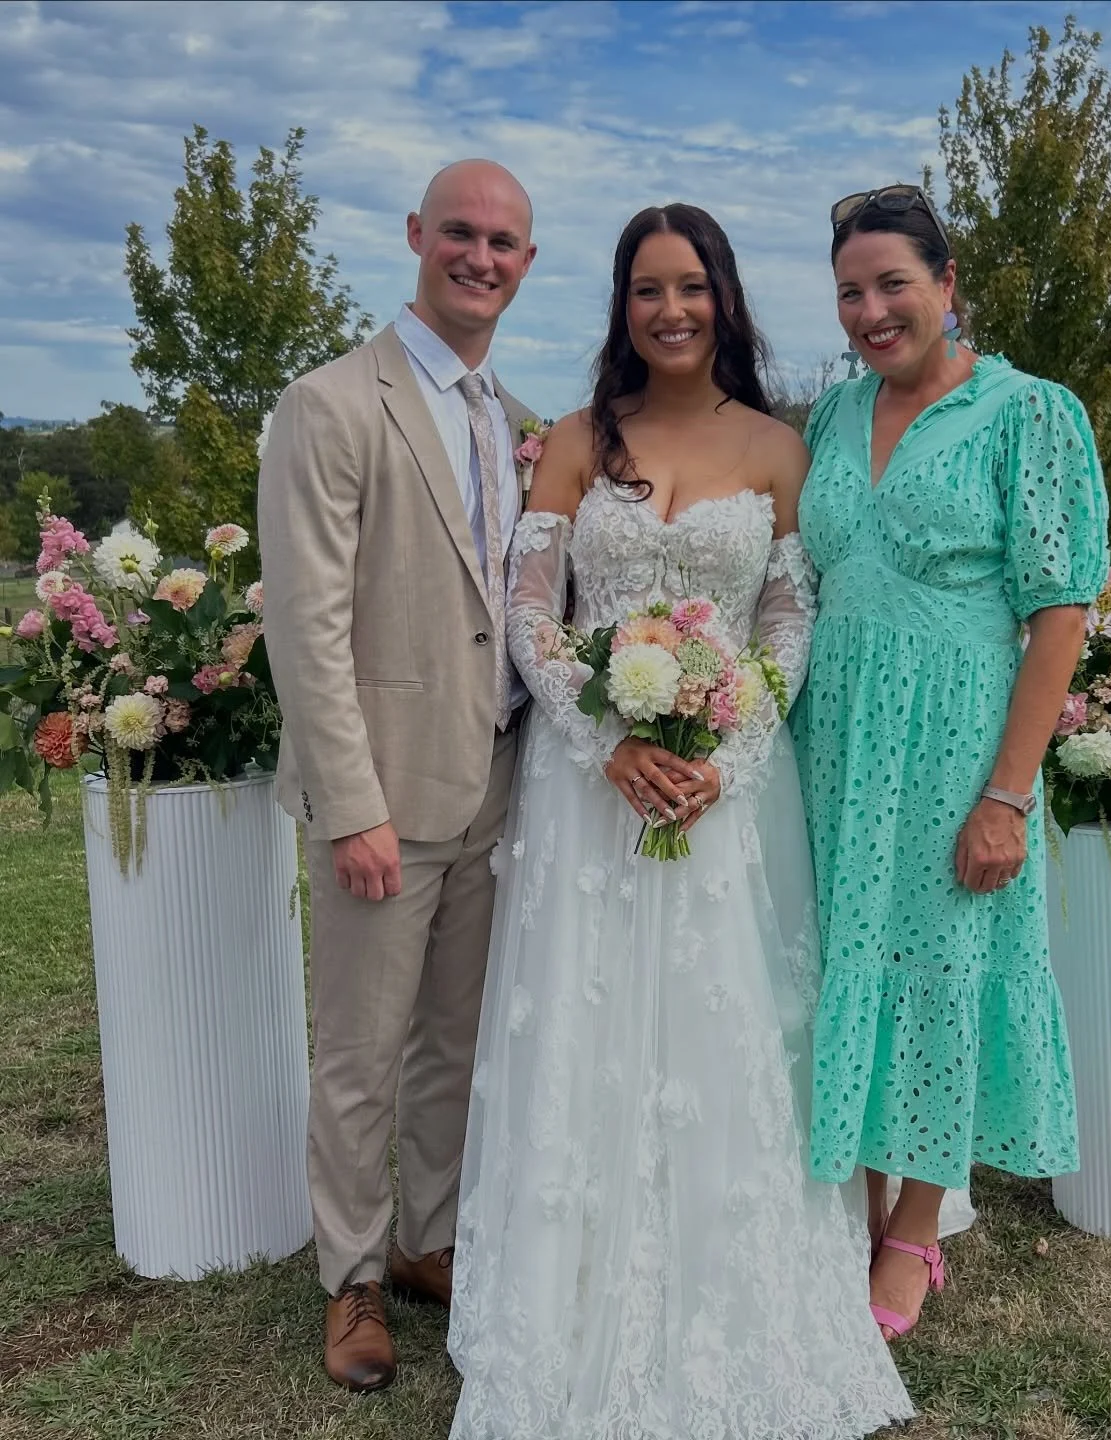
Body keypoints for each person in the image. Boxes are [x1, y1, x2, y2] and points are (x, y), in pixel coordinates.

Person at [446, 203, 913, 1439]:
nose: (671, 311)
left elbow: (786, 620)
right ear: (620, 304)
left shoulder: (777, 446)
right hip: (589, 792)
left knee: (727, 1034)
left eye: (692, 288)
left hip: (726, 801)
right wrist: (611, 739)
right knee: (584, 1035)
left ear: (725, 300)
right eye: (648, 290)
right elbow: (532, 609)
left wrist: (732, 742)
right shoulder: (575, 443)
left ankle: (739, 1277)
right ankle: (565, 1294)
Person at [791, 184, 1110, 1340]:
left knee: (937, 968)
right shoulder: (832, 418)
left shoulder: (1028, 414)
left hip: (954, 749)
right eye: (850, 293)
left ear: (947, 283)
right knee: (847, 961)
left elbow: (1063, 610)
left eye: (893, 285)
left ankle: (916, 1228)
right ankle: (862, 1203)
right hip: (831, 744)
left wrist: (1005, 796)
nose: (872, 311)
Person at [258, 160, 540, 1391]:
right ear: (417, 236)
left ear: (528, 263)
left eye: (507, 243)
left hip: (501, 781)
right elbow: (307, 625)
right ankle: (352, 1279)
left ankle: (430, 1241)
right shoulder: (330, 404)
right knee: (360, 1049)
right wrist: (351, 804)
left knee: (455, 1042)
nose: (481, 257)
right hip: (388, 793)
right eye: (462, 234)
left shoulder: (509, 411)